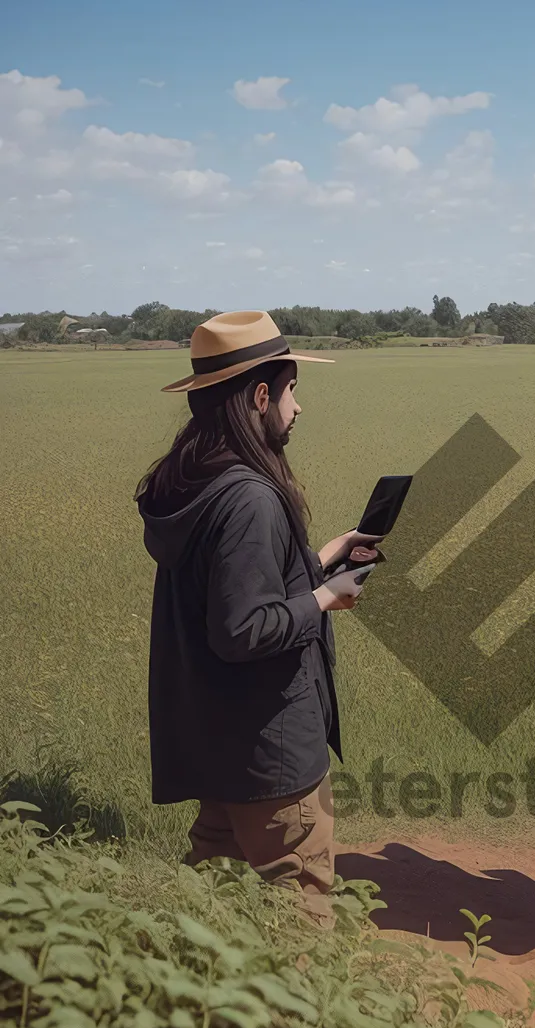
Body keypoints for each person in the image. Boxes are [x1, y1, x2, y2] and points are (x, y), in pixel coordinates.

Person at [135, 310, 381, 928]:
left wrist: (326, 555)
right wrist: (328, 597)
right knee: (302, 915)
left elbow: (240, 583)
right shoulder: (248, 497)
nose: (298, 408)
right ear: (261, 396)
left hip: (220, 751)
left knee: (209, 920)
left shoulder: (198, 481)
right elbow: (243, 628)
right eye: (293, 390)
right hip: (270, 759)